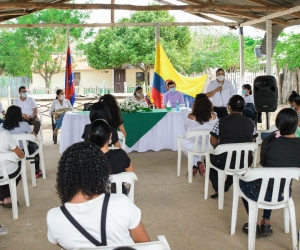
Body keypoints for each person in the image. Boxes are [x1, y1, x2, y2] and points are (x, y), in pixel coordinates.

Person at [46, 142, 150, 249]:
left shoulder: (54, 217)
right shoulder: (121, 203)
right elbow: (145, 244)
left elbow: (63, 244)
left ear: (64, 176)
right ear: (102, 172)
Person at [239, 108, 300, 237]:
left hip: (261, 193)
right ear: (297, 124)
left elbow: (265, 164)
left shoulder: (270, 142)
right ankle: (266, 222)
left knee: (242, 179)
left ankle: (253, 223)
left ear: (277, 125)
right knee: (276, 183)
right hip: (284, 193)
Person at [209, 95, 258, 199]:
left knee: (208, 159)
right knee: (235, 161)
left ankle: (219, 189)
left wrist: (219, 149)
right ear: (243, 108)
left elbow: (213, 142)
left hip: (224, 161)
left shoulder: (220, 121)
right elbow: (252, 140)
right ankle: (226, 185)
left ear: (229, 107)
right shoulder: (250, 122)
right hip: (245, 161)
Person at [181, 94, 218, 176]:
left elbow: (185, 128)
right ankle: (195, 165)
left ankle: (196, 164)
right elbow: (216, 129)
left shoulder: (190, 116)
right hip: (209, 145)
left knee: (183, 143)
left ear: (195, 104)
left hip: (194, 145)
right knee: (196, 147)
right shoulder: (214, 115)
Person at [1, 105, 42, 178]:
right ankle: (37, 171)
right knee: (36, 146)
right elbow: (34, 137)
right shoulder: (24, 125)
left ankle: (17, 170)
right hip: (24, 151)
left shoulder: (1, 126)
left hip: (9, 152)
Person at [0, 130, 25, 207]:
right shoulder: (4, 134)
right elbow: (21, 155)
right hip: (8, 172)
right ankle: (6, 197)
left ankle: (2, 198)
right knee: (19, 167)